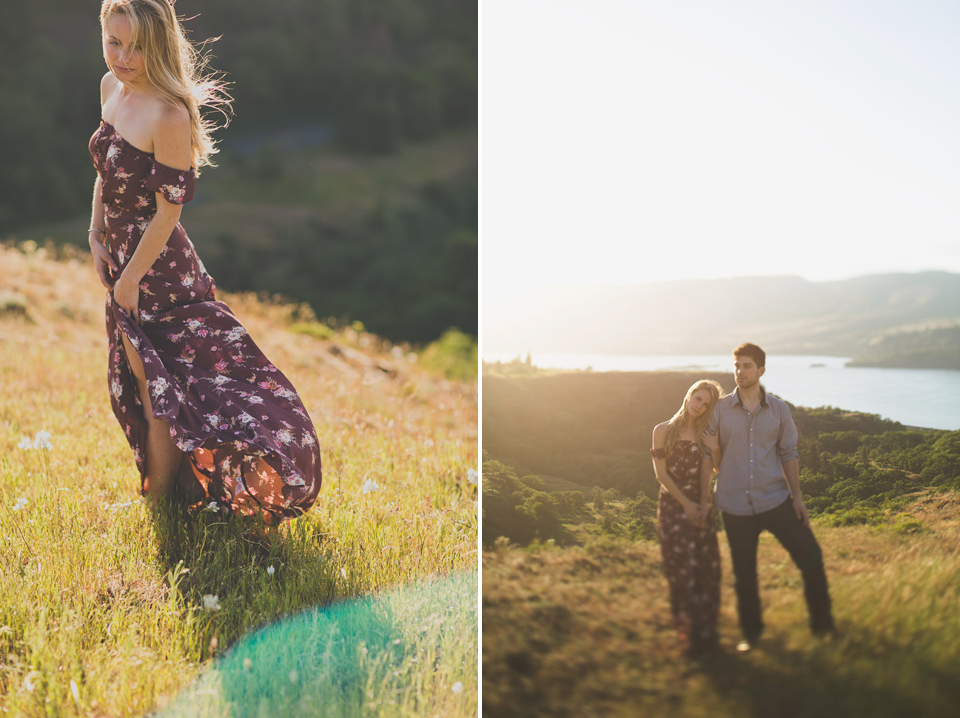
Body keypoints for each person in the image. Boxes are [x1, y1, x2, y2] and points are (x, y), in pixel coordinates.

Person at [87, 0, 321, 521]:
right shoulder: (111, 88)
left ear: (161, 44)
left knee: (159, 385)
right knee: (145, 375)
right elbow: (106, 170)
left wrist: (129, 281)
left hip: (159, 269)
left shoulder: (169, 115)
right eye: (114, 42)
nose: (123, 57)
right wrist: (95, 233)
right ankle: (170, 492)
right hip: (122, 257)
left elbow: (168, 213)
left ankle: (161, 503)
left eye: (138, 47)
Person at [701, 343, 835, 651]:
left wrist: (797, 498)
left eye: (747, 366)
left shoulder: (779, 409)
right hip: (734, 504)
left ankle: (824, 628)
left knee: (811, 557)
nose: (740, 372)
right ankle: (751, 636)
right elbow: (712, 458)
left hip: (775, 499)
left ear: (761, 370)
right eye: (737, 366)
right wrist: (703, 496)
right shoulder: (719, 409)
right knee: (744, 574)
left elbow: (789, 453)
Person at [650, 379, 724, 656]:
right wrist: (685, 504)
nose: (699, 406)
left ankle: (707, 633)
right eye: (698, 398)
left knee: (707, 568)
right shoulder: (663, 431)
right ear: (689, 395)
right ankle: (686, 634)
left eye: (706, 404)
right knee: (679, 567)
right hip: (672, 504)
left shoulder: (706, 433)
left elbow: (708, 472)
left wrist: (703, 505)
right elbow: (661, 475)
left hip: (699, 502)